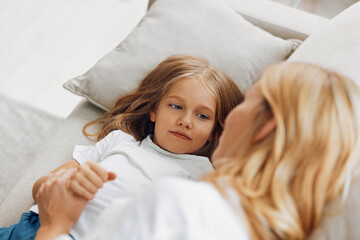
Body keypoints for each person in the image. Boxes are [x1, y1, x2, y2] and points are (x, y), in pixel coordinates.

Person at [34, 61, 360, 240]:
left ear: (266, 127)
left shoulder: (180, 205)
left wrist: (54, 227)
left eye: (249, 101)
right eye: (176, 106)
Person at [0, 55, 243, 240]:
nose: (185, 121)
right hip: (32, 226)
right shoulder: (120, 141)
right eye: (176, 107)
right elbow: (41, 187)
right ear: (154, 111)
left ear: (214, 132)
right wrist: (67, 184)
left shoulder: (207, 178)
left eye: (202, 116)